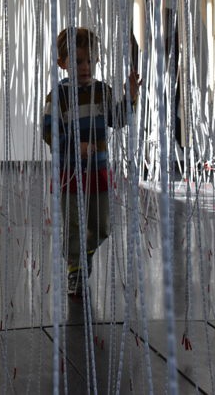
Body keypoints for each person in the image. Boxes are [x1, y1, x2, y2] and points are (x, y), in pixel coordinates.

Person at [42, 27, 140, 297]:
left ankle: (83, 256)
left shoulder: (102, 91)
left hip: (98, 172)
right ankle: (75, 270)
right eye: (77, 61)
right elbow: (49, 133)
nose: (85, 67)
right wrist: (77, 146)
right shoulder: (57, 96)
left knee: (102, 226)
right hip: (69, 174)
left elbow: (117, 120)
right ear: (62, 63)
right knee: (72, 226)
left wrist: (130, 97)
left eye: (89, 60)